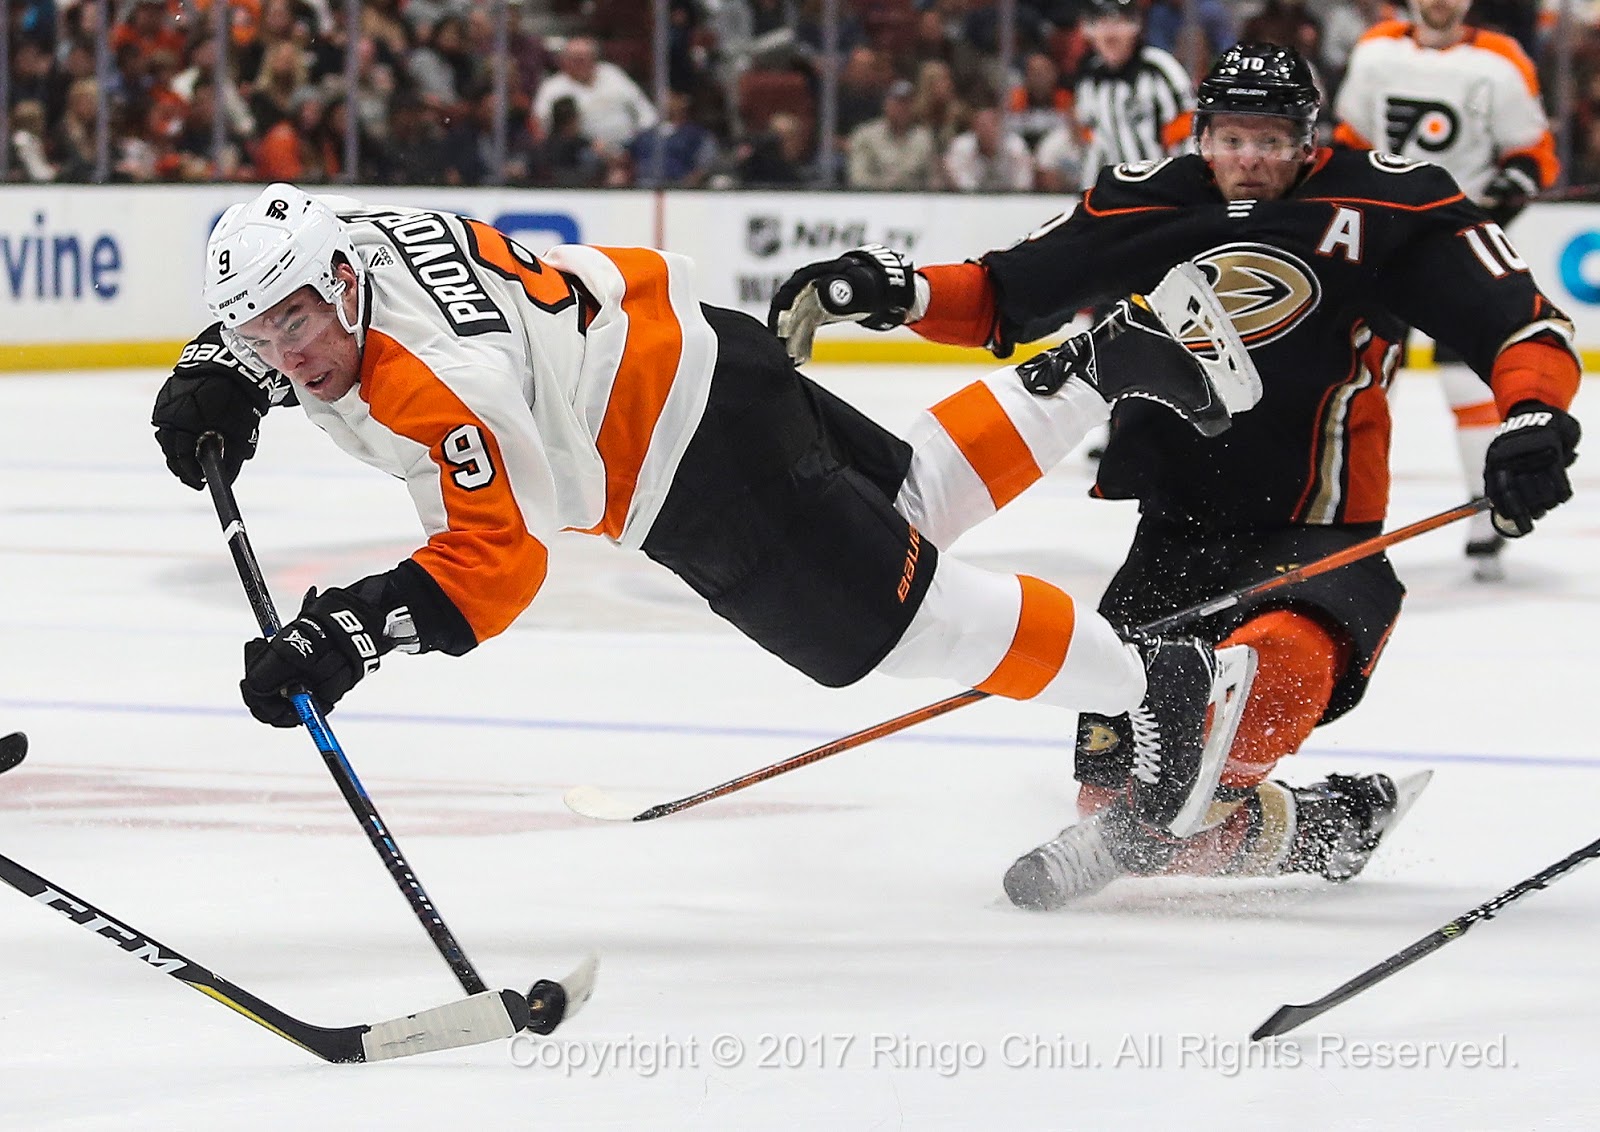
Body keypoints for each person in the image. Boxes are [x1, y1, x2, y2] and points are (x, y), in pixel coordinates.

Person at [152, 184, 1269, 857]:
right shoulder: (345, 239)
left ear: (344, 281)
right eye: (258, 332)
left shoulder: (438, 384)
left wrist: (349, 631)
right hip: (705, 348)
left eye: (298, 321)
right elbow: (280, 302)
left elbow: (500, 558)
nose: (288, 352)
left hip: (684, 462)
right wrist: (222, 369)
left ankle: (1160, 682)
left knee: (895, 625)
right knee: (903, 508)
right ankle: (1100, 360)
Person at [766, 43, 1582, 908]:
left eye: (1272, 141)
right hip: (1174, 535)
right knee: (1135, 817)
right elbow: (1008, 292)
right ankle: (1327, 824)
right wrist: (898, 293)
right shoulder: (1148, 198)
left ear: (1310, 138)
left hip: (1319, 532)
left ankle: (1179, 813)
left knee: (1264, 680)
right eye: (1232, 139)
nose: (1250, 160)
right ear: (1201, 136)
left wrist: (1533, 416)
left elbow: (1520, 323)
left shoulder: (1390, 202)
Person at [1335, 0, 1560, 579]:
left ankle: (1488, 511)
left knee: (1465, 373)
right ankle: (1344, 512)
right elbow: (1350, 137)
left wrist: (1516, 178)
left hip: (1461, 237)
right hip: (1381, 237)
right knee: (1364, 375)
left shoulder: (1501, 58)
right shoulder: (1376, 48)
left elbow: (1534, 151)